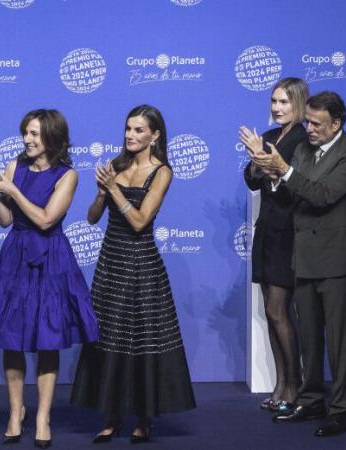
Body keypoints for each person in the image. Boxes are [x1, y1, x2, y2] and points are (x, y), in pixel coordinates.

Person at [0, 109, 99, 449]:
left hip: (51, 259)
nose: (27, 139)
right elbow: (6, 220)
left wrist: (12, 188)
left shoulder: (67, 175)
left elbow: (44, 220)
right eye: (26, 132)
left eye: (35, 134)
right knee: (12, 339)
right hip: (16, 257)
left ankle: (43, 416)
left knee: (47, 340)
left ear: (52, 138)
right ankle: (15, 412)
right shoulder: (14, 166)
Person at [71, 105, 195, 444]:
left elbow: (141, 222)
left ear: (155, 135)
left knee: (142, 342)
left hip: (142, 266)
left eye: (139, 130)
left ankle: (144, 419)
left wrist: (113, 189)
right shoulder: (116, 165)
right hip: (111, 264)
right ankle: (111, 416)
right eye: (128, 128)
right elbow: (93, 218)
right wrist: (100, 193)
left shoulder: (162, 171)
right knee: (110, 340)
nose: (130, 135)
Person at [252, 91, 346, 437]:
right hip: (304, 258)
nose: (309, 128)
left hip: (338, 262)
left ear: (336, 124)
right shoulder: (303, 150)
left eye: (316, 124)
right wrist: (269, 172)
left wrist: (283, 170)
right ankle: (311, 398)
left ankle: (340, 409)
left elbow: (322, 195)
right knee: (310, 337)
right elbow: (290, 195)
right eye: (308, 121)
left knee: (338, 342)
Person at [240, 77, 308, 413]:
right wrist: (257, 160)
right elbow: (251, 179)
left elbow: (296, 187)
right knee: (270, 310)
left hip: (291, 234)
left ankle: (294, 386)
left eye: (284, 102)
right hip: (266, 230)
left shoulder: (303, 141)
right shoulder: (267, 138)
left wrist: (271, 164)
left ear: (298, 104)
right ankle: (280, 383)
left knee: (280, 310)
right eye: (274, 101)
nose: (277, 108)